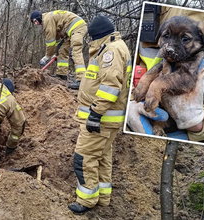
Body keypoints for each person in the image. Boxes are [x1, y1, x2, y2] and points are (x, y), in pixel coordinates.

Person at [130, 5, 204, 142]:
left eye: (185, 39)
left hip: (198, 127)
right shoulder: (152, 9)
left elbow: (186, 78)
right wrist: (130, 100)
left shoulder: (199, 53)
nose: (170, 47)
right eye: (166, 36)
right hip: (151, 114)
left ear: (201, 41)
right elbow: (146, 68)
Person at [68, 15, 132, 214]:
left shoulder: (111, 51)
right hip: (107, 120)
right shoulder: (114, 47)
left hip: (101, 119)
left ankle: (86, 200)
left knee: (83, 157)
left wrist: (95, 114)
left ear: (97, 36)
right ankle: (102, 198)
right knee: (102, 158)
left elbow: (110, 86)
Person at [30, 10, 87, 89]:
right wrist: (56, 52)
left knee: (76, 52)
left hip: (77, 27)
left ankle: (81, 80)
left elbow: (50, 41)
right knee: (62, 51)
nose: (36, 24)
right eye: (34, 23)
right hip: (68, 32)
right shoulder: (48, 19)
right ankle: (61, 74)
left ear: (39, 17)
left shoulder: (46, 20)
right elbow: (56, 38)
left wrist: (47, 56)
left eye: (35, 21)